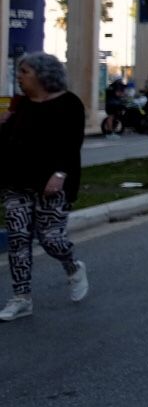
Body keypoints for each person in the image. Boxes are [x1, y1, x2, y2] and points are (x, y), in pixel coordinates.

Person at [0, 52, 90, 322]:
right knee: (17, 240)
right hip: (16, 182)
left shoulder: (69, 104)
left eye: (24, 72)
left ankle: (73, 266)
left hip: (52, 183)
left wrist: (59, 174)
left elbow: (71, 145)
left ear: (42, 74)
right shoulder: (21, 104)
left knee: (51, 239)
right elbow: (8, 142)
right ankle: (21, 298)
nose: (19, 77)